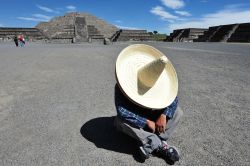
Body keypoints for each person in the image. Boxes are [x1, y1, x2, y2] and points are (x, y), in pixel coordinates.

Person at [114, 44, 183, 164]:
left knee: (178, 112)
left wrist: (164, 115)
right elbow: (122, 111)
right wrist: (146, 122)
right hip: (139, 118)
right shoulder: (121, 87)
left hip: (154, 116)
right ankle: (157, 143)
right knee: (120, 121)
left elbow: (174, 99)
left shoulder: (159, 84)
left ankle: (153, 140)